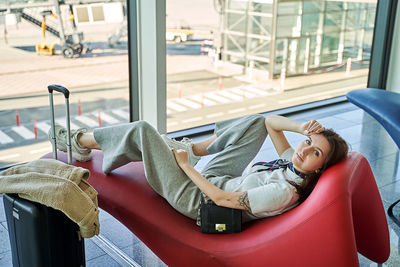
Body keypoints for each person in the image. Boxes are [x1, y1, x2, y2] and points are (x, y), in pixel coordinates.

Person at [48, 114, 348, 223]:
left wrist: (184, 168)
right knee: (255, 123)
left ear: (320, 168)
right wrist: (302, 127)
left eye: (314, 152)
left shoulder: (284, 191)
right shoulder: (291, 165)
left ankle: (78, 142)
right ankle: (193, 149)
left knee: (143, 131)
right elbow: (269, 123)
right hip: (223, 179)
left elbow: (222, 200)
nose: (303, 149)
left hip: (198, 199)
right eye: (306, 142)